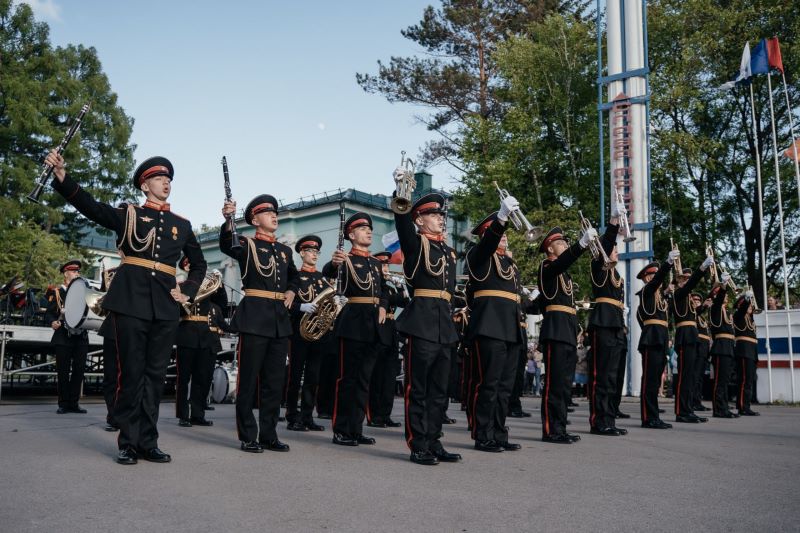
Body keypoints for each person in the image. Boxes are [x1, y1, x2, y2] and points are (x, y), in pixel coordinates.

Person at [48, 152, 207, 465]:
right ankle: (128, 442)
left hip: (164, 307)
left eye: (169, 180)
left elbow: (199, 265)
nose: (167, 184)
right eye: (160, 179)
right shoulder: (129, 214)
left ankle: (149, 442)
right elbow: (91, 207)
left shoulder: (182, 225)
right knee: (131, 374)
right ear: (145, 184)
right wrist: (63, 177)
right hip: (130, 301)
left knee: (156, 377)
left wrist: (186, 291)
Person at [221, 194, 299, 453]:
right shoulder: (246, 244)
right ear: (255, 219)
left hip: (278, 320)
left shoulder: (285, 251)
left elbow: (294, 278)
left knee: (274, 382)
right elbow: (226, 244)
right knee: (248, 381)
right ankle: (248, 435)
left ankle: (269, 434)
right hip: (254, 318)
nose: (274, 216)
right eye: (267, 213)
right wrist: (228, 220)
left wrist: (291, 291)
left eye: (275, 212)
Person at [391, 182, 461, 465]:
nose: (440, 218)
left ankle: (434, 440)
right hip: (421, 322)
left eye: (441, 214)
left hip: (444, 322)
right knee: (418, 389)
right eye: (433, 214)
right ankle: (418, 444)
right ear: (419, 219)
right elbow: (402, 222)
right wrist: (401, 194)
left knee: (439, 392)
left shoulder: (447, 251)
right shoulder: (415, 243)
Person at [322, 212, 388, 448]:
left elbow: (384, 291)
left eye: (369, 229)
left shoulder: (376, 263)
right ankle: (341, 429)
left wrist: (383, 306)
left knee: (364, 381)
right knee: (347, 379)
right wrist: (334, 263)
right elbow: (329, 272)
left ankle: (356, 429)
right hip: (353, 323)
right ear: (351, 235)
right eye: (362, 229)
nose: (369, 232)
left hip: (372, 325)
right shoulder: (345, 258)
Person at [464, 207, 526, 452]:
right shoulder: (477, 255)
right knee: (488, 384)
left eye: (504, 233)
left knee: (504, 387)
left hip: (510, 327)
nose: (504, 236)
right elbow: (488, 244)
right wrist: (500, 219)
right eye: (498, 233)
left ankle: (499, 433)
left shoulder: (509, 264)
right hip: (489, 326)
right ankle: (483, 434)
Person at [537, 225, 594, 444]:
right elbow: (562, 263)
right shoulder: (547, 267)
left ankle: (560, 427)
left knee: (564, 385)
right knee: (554, 384)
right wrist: (581, 245)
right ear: (550, 247)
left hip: (567, 329)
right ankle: (551, 430)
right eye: (561, 243)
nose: (565, 246)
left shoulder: (565, 274)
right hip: (555, 330)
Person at [285, 235, 334, 432]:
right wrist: (301, 307)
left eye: (317, 252)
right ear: (302, 253)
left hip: (318, 334)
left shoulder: (322, 280)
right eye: (311, 251)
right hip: (298, 333)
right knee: (295, 376)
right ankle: (291, 416)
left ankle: (307, 416)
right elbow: (286, 303)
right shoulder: (295, 277)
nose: (314, 255)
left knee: (314, 377)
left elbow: (328, 303)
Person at [586, 213, 628, 436]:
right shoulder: (598, 267)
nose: (616, 252)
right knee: (600, 376)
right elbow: (605, 246)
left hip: (615, 324)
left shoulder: (617, 275)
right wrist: (613, 225)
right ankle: (598, 421)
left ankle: (609, 419)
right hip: (602, 323)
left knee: (612, 377)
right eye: (613, 249)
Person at [175, 257, 228, 428]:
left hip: (206, 336)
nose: (191, 266)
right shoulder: (181, 286)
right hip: (187, 333)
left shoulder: (209, 286)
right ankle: (183, 414)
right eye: (188, 264)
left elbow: (222, 305)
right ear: (185, 267)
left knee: (203, 377)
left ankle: (198, 414)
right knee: (183, 378)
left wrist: (221, 284)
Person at [366, 251, 409, 429]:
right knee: (376, 375)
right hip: (376, 329)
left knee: (389, 377)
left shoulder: (390, 286)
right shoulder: (373, 285)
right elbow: (390, 299)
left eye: (386, 266)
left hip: (390, 330)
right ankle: (373, 415)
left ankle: (385, 414)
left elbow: (405, 302)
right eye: (382, 265)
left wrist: (401, 286)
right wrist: (398, 293)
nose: (385, 269)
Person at [669, 258, 713, 424]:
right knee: (683, 376)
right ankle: (681, 412)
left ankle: (688, 409)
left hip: (692, 335)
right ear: (679, 282)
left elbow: (695, 313)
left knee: (689, 377)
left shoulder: (687, 299)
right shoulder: (678, 294)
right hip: (684, 335)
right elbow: (691, 283)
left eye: (687, 278)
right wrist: (702, 268)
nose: (687, 281)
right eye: (684, 279)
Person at [44, 260, 89, 415]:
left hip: (81, 336)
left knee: (79, 370)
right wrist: (53, 321)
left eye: (78, 271)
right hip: (63, 336)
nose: (77, 273)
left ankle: (74, 403)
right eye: (74, 271)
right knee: (63, 371)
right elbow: (49, 313)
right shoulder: (57, 291)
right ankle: (63, 403)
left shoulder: (84, 291)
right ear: (66, 273)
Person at [635, 255, 674, 430]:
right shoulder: (647, 291)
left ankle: (654, 415)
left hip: (660, 339)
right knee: (649, 381)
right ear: (649, 278)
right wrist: (668, 263)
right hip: (651, 339)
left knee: (656, 381)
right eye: (654, 276)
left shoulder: (660, 298)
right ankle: (648, 417)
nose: (657, 278)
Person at [707, 281, 738, 418]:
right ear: (716, 295)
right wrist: (724, 286)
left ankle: (724, 407)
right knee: (720, 381)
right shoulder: (715, 307)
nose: (725, 297)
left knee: (725, 380)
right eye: (722, 294)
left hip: (728, 347)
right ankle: (718, 409)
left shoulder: (725, 310)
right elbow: (719, 299)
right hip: (720, 348)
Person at [733, 292, 760, 416]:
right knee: (745, 380)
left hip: (751, 350)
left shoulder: (750, 319)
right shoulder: (738, 315)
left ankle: (744, 404)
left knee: (749, 379)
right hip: (744, 350)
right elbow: (743, 308)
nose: (750, 307)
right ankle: (743, 407)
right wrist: (747, 299)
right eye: (748, 305)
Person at [692, 293, 712, 412]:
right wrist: (703, 306)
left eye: (699, 300)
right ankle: (693, 401)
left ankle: (698, 401)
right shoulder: (693, 313)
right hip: (697, 346)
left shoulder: (702, 317)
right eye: (695, 300)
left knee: (700, 377)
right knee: (695, 376)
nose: (697, 301)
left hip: (704, 347)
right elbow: (697, 311)